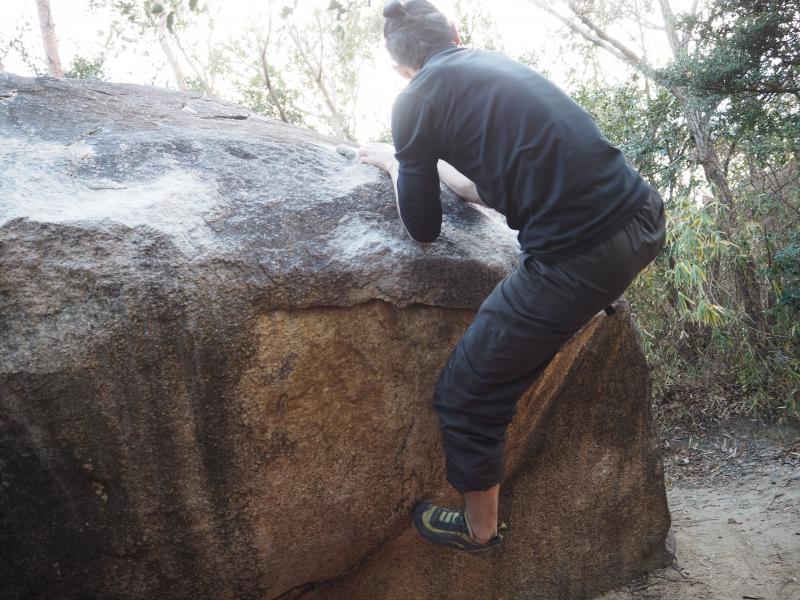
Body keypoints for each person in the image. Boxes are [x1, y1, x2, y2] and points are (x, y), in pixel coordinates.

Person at [358, 0, 666, 554]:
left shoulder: (415, 101)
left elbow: (422, 229)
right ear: (455, 32)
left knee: (467, 392)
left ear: (401, 68)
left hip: (576, 258)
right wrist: (427, 165)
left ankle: (479, 530)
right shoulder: (496, 68)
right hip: (643, 217)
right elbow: (488, 185)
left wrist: (397, 162)